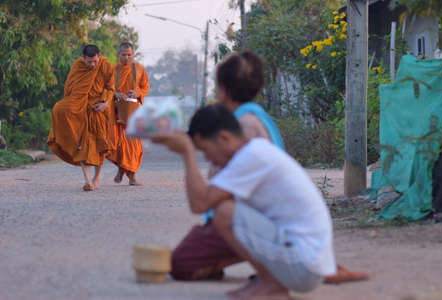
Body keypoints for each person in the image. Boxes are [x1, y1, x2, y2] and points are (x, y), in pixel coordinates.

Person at [170, 51, 368, 284]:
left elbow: (207, 199)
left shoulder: (244, 126)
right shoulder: (257, 117)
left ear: (222, 89)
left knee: (181, 263)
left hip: (257, 218)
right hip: (266, 217)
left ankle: (292, 268)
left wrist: (187, 153)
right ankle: (318, 266)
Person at [152, 104, 336, 299]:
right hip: (305, 263)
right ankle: (269, 281)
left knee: (224, 212)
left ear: (224, 138)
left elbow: (200, 204)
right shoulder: (254, 151)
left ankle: (272, 285)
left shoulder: (252, 157)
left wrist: (187, 153)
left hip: (302, 266)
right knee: (226, 210)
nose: (207, 158)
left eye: (205, 150)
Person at [47, 44, 114, 191]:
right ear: (83, 58)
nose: (92, 65)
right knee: (82, 144)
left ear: (99, 56)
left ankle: (96, 179)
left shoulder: (105, 65)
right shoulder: (78, 66)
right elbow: (69, 88)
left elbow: (110, 87)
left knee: (99, 144)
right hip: (81, 110)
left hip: (98, 110)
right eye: (89, 62)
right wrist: (72, 106)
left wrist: (106, 103)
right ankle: (88, 181)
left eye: (95, 61)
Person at [107, 42, 150, 186]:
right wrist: (116, 94)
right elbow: (107, 88)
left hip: (134, 112)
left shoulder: (139, 69)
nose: (126, 57)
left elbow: (145, 87)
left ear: (133, 54)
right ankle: (121, 169)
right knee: (120, 144)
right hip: (118, 113)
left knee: (134, 145)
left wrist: (138, 93)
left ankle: (132, 176)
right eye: (123, 54)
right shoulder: (113, 70)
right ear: (119, 54)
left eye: (129, 54)